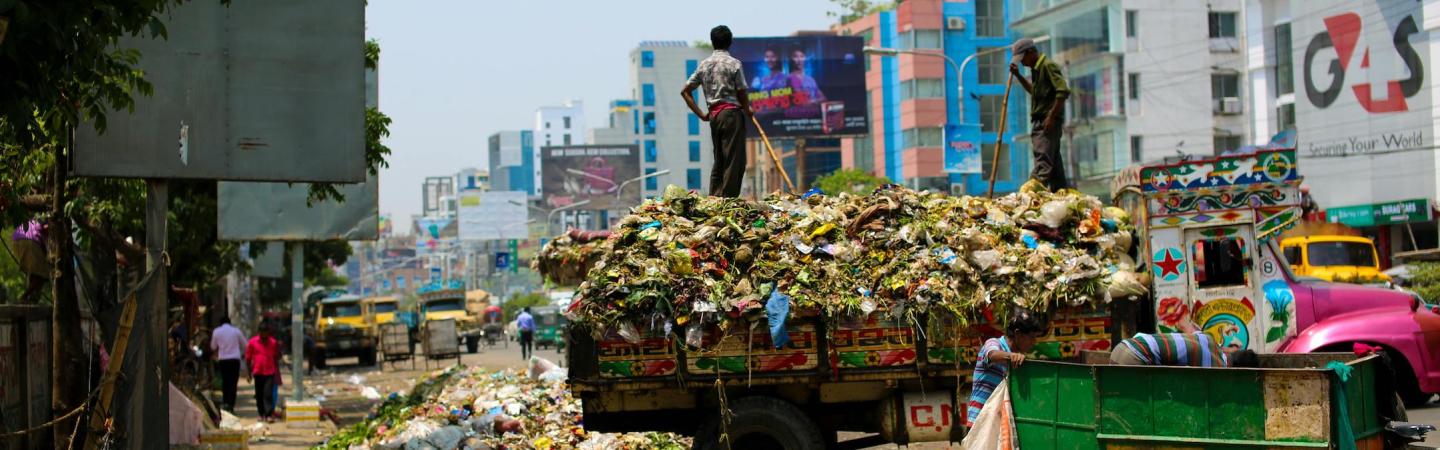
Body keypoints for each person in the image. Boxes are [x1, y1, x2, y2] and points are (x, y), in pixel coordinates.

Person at [682, 25, 753, 198]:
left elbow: (685, 91)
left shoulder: (704, 65)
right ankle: (727, 200)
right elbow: (741, 91)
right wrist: (748, 109)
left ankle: (714, 197)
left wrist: (701, 115)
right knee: (734, 159)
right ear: (730, 42)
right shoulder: (734, 63)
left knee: (719, 159)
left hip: (714, 116)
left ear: (713, 42)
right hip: (731, 115)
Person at [966, 307, 1049, 426]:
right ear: (1018, 334)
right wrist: (1011, 356)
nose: (1034, 342)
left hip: (999, 425)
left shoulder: (1019, 358)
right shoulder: (994, 343)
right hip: (980, 424)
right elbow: (992, 354)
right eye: (1031, 337)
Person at [1010, 38, 1071, 191]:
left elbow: (1062, 91)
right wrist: (1018, 76)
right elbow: (1034, 92)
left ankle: (1029, 194)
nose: (1022, 63)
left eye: (1022, 58)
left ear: (1030, 52)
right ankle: (1060, 194)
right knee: (1055, 167)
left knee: (1043, 164)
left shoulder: (1047, 66)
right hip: (1042, 120)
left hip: (1046, 121)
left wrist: (1051, 117)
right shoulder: (1036, 70)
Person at [1109, 321, 1259, 368]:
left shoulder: (1208, 339)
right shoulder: (1216, 368)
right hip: (1133, 359)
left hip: (1122, 347)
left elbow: (1188, 328)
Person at [245, 325, 283, 422]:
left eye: (266, 332)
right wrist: (248, 373)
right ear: (259, 332)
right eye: (262, 332)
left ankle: (269, 414)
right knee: (259, 394)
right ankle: (261, 414)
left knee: (268, 393)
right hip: (258, 371)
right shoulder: (253, 342)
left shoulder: (273, 342)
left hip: (270, 371)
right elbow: (248, 358)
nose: (264, 334)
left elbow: (277, 356)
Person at [209, 317, 247, 413]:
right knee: (233, 382)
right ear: (230, 323)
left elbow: (213, 346)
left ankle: (225, 402)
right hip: (234, 360)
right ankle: (231, 404)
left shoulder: (217, 331)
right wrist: (243, 354)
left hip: (223, 360)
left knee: (225, 382)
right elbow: (245, 345)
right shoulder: (236, 331)